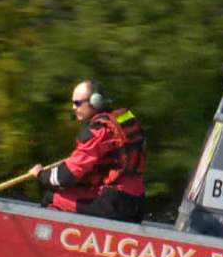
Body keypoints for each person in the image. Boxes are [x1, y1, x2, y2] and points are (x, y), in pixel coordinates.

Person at [29, 79, 146, 222]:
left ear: (95, 102)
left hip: (113, 203)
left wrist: (41, 174)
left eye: (77, 103)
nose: (73, 107)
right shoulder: (123, 118)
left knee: (52, 198)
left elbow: (66, 176)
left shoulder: (98, 131)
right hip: (137, 203)